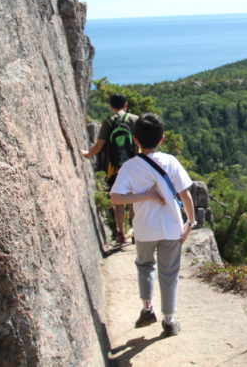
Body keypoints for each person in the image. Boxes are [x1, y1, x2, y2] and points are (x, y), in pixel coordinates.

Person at [109, 113, 196, 336]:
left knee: (145, 267)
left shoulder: (129, 167)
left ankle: (148, 309)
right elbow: (186, 196)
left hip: (144, 228)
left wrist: (145, 196)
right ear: (162, 139)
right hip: (171, 227)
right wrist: (190, 223)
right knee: (169, 273)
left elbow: (116, 198)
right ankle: (169, 320)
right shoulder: (171, 162)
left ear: (135, 140)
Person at [81, 93, 138, 244]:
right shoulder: (134, 119)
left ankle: (121, 233)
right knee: (134, 199)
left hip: (115, 167)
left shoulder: (108, 121)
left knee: (118, 200)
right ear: (126, 105)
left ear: (111, 106)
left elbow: (99, 145)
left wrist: (87, 154)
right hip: (134, 165)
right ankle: (137, 233)